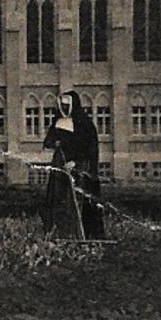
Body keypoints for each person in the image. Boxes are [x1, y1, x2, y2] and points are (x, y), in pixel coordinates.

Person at [42, 90, 106, 239]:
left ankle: (84, 234)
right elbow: (48, 141)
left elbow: (89, 148)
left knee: (79, 200)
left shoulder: (84, 123)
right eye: (62, 105)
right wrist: (55, 142)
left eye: (66, 105)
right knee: (58, 199)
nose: (64, 108)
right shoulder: (58, 121)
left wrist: (76, 162)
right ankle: (58, 232)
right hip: (60, 166)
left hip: (78, 167)